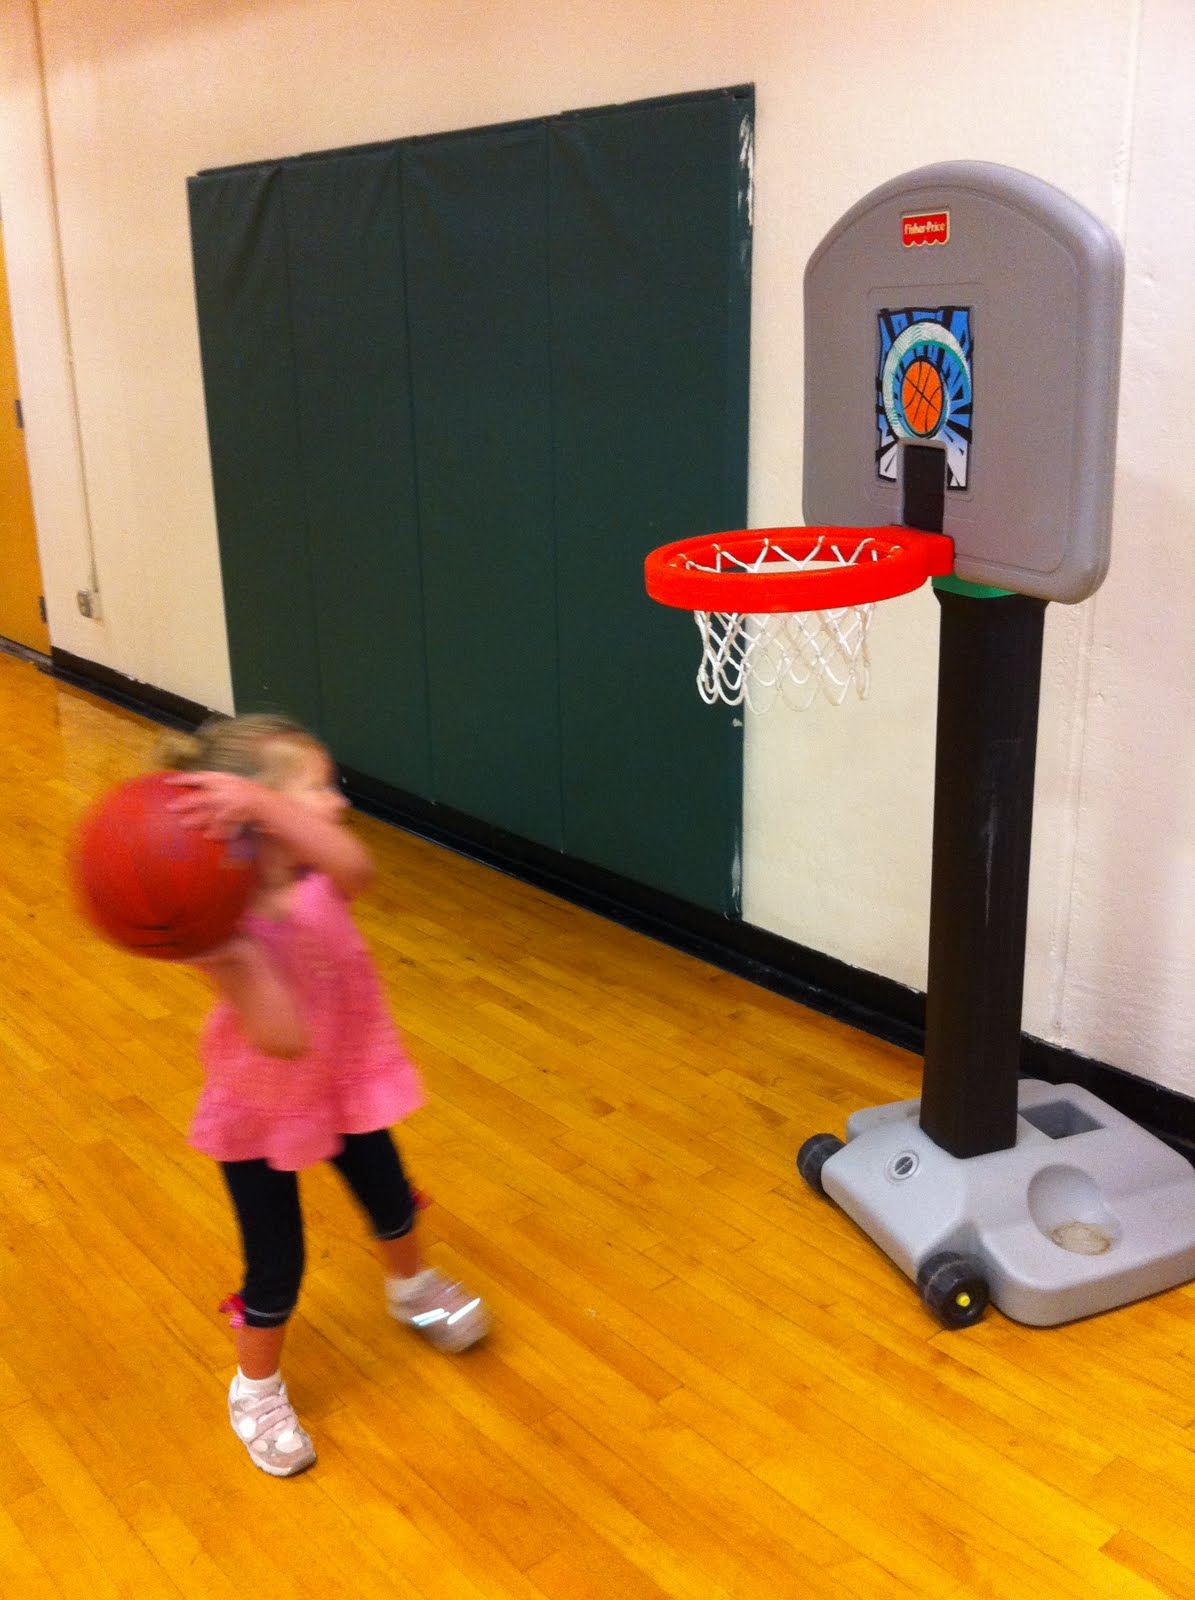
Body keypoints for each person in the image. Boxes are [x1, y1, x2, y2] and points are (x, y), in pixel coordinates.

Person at [159, 712, 490, 1478]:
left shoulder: (317, 875)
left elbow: (358, 867)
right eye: (317, 787)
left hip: (342, 1084)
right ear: (256, 819)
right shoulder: (228, 930)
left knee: (393, 1202)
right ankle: (255, 1390)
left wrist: (270, 805)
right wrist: (241, 958)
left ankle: (411, 1289)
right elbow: (282, 1038)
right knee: (278, 1265)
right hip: (260, 1111)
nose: (338, 801)